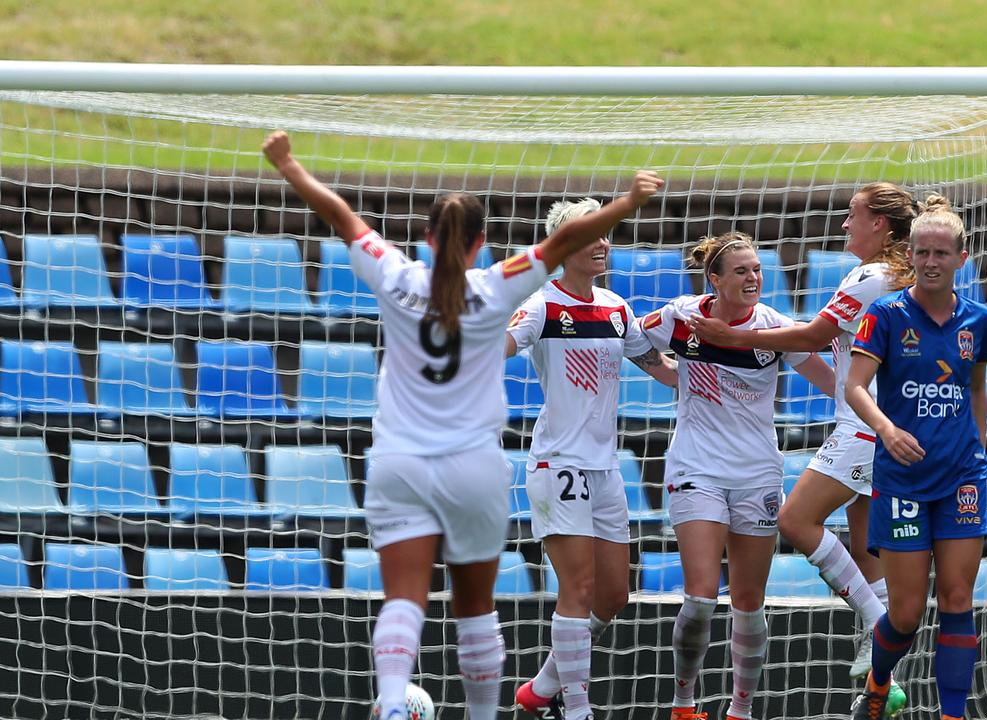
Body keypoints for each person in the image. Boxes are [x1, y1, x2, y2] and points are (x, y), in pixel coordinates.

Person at [261, 130, 664, 720]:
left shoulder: (398, 279)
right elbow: (561, 243)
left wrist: (289, 166)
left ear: (426, 238)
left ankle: (394, 705)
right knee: (475, 606)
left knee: (404, 598)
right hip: (474, 467)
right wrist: (628, 203)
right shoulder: (498, 287)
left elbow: (342, 216)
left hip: (399, 462)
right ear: (480, 242)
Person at [688, 183, 918, 684]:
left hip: (867, 425)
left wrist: (737, 337)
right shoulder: (899, 275)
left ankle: (878, 625)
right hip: (886, 420)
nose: (843, 225)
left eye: (852, 215)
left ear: (879, 224)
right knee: (866, 552)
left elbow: (815, 335)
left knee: (794, 521)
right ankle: (884, 682)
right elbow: (822, 350)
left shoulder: (872, 276)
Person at [641, 231, 837, 720]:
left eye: (757, 269)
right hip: (696, 468)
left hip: (757, 475)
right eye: (741, 271)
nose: (754, 279)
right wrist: (666, 371)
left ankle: (740, 710)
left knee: (749, 603)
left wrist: (875, 413)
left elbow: (833, 382)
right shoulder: (681, 317)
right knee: (702, 597)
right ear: (715, 280)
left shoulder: (774, 328)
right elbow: (629, 336)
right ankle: (683, 705)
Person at [507, 197, 677, 720]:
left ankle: (540, 688)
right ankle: (576, 708)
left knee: (615, 595)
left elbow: (662, 367)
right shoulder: (541, 305)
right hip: (558, 464)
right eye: (591, 235)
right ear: (565, 247)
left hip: (605, 469)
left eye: (606, 233)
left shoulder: (615, 307)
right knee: (577, 590)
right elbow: (498, 346)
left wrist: (722, 367)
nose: (603, 243)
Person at [845, 195, 987, 720]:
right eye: (922, 252)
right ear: (910, 253)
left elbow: (975, 388)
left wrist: (977, 444)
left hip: (961, 479)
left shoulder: (978, 319)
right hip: (903, 479)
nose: (931, 262)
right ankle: (879, 681)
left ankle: (953, 714)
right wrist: (886, 429)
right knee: (905, 614)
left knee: (956, 599)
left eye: (941, 253)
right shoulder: (885, 314)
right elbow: (855, 387)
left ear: (962, 257)